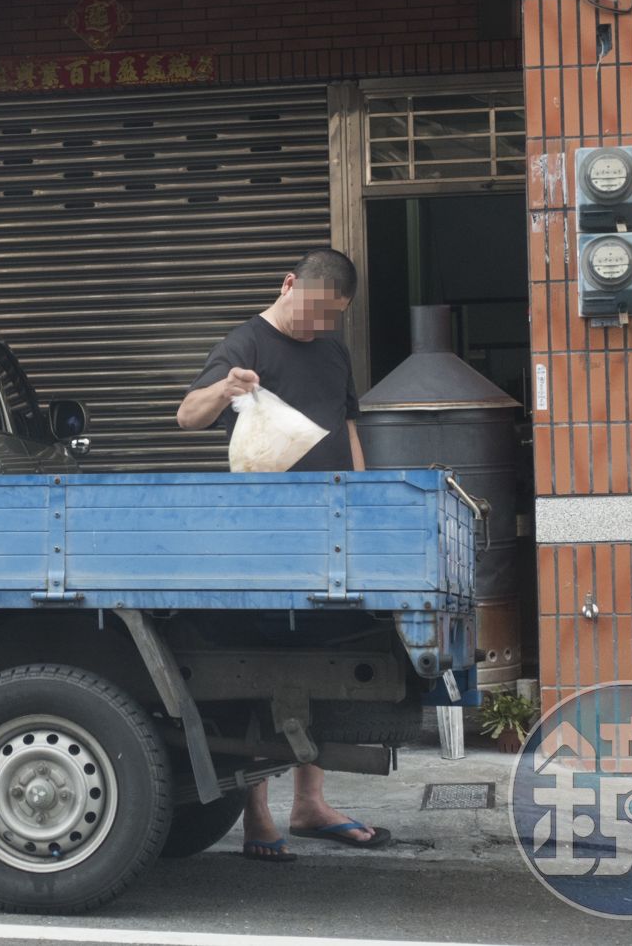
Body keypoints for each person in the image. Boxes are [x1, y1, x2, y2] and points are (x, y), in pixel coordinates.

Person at [174, 247, 391, 861]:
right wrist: (225, 386)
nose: (318, 325)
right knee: (262, 668)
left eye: (331, 317)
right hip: (264, 539)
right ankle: (257, 814)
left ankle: (310, 805)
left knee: (318, 663)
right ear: (289, 284)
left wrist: (361, 500)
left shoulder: (333, 351)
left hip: (328, 533)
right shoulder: (245, 343)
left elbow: (347, 427)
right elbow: (187, 416)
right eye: (313, 311)